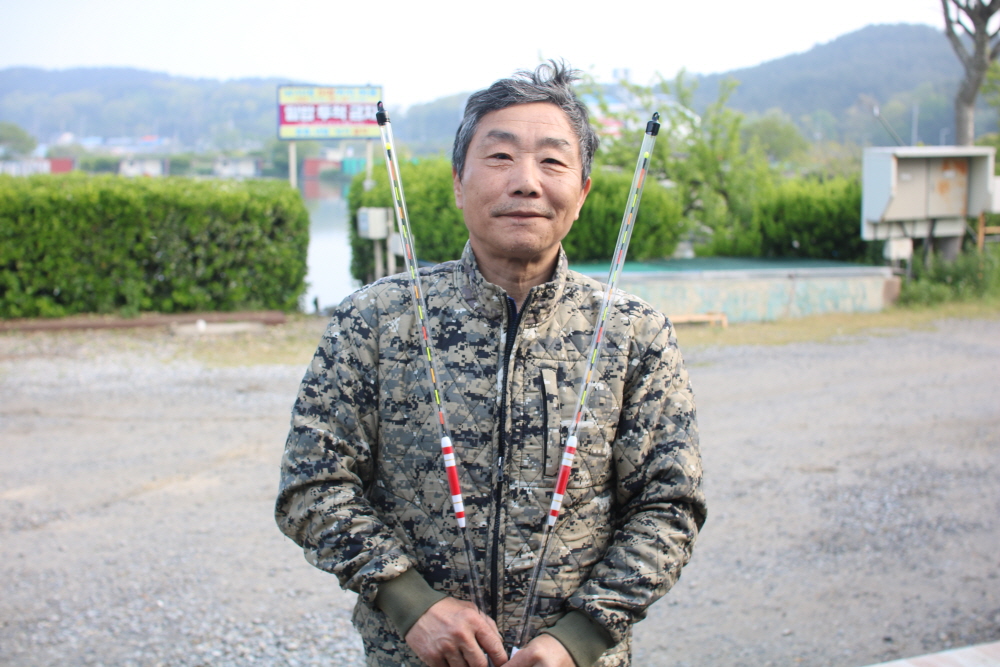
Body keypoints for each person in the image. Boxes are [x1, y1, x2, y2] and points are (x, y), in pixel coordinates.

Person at [275, 61, 706, 667]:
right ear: (458, 182)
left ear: (582, 193)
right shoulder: (375, 320)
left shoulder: (636, 334)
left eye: (552, 161)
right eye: (500, 157)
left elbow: (669, 506)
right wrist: (410, 604)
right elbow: (312, 483)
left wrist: (579, 638)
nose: (526, 182)